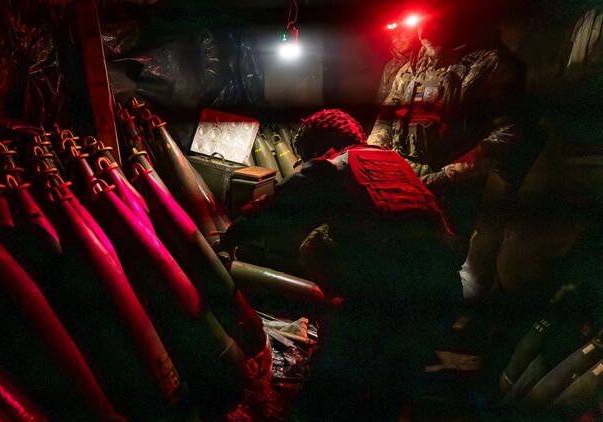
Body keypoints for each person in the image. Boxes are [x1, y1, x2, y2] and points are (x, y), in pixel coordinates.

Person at [224, 109, 459, 420]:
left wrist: (226, 238)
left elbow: (274, 211)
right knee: (394, 383)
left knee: (324, 392)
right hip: (445, 291)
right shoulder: (392, 161)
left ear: (321, 146)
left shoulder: (332, 167)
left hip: (392, 299)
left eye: (307, 154)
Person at [367, 3, 532, 304]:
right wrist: (374, 159)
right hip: (403, 181)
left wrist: (449, 174)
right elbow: (386, 119)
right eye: (420, 24)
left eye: (434, 24)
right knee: (392, 261)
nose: (424, 32)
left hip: (451, 191)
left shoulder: (491, 66)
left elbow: (509, 132)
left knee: (437, 268)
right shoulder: (413, 65)